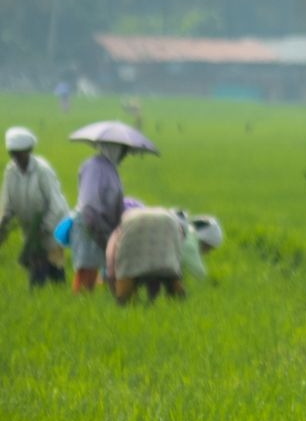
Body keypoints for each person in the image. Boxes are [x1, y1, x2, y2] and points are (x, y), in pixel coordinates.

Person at [0, 126, 71, 287]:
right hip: (31, 232)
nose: (17, 158)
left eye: (20, 153)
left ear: (29, 150)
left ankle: (57, 298)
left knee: (53, 271)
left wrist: (44, 227)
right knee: (40, 272)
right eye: (13, 154)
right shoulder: (11, 171)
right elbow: (7, 203)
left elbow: (57, 204)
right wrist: (3, 222)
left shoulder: (42, 170)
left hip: (52, 229)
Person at [106, 207, 223, 304]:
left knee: (125, 300)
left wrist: (117, 286)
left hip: (134, 222)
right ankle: (178, 306)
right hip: (167, 222)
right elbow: (197, 273)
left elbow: (112, 264)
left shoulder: (117, 233)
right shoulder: (190, 240)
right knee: (172, 283)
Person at [71, 140, 127, 292]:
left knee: (102, 268)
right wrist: (99, 231)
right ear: (114, 148)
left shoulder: (110, 168)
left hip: (103, 224)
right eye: (123, 150)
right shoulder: (94, 167)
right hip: (90, 224)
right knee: (86, 269)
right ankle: (80, 303)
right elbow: (90, 204)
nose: (125, 155)